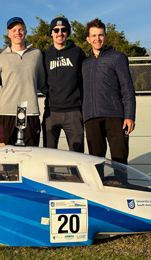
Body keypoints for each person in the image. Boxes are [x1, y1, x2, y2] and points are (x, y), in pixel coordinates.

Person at [82, 18, 136, 165]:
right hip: (91, 118)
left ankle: (120, 187)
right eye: (93, 35)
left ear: (105, 37)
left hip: (116, 116)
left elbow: (127, 88)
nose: (97, 39)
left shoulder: (118, 57)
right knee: (96, 163)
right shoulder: (84, 63)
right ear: (88, 39)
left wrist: (129, 116)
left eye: (100, 35)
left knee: (119, 161)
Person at [0, 17, 45, 146]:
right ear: (8, 34)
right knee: (3, 153)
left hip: (31, 112)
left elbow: (42, 83)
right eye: (13, 30)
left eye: (20, 29)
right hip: (6, 113)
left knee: (32, 155)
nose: (17, 33)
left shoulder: (37, 54)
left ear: (25, 32)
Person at [41, 15, 86, 152]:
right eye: (56, 30)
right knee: (48, 156)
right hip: (51, 112)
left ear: (68, 32)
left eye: (64, 29)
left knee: (77, 156)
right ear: (51, 33)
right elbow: (40, 80)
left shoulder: (77, 52)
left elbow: (85, 78)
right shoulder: (44, 55)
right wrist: (49, 93)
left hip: (74, 112)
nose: (60, 33)